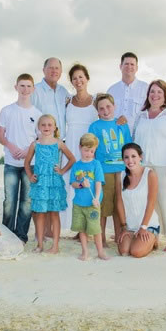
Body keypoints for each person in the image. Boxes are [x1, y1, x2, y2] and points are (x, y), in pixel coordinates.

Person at [132, 79, 166, 251]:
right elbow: (134, 140)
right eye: (152, 92)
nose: (155, 95)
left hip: (165, 165)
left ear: (165, 96)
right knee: (148, 202)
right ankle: (153, 236)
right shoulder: (141, 116)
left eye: (159, 92)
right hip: (144, 166)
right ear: (148, 95)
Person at [0, 73, 42, 242]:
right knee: (9, 201)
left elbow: (39, 139)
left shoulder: (37, 114)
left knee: (27, 202)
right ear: (16, 87)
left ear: (33, 89)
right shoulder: (7, 110)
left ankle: (21, 236)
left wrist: (27, 151)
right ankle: (7, 235)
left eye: (28, 86)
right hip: (10, 162)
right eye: (22, 85)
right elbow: (0, 136)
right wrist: (12, 147)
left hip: (29, 165)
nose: (25, 89)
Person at [25, 115, 74, 254]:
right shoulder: (35, 144)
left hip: (54, 183)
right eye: (43, 125)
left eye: (49, 125)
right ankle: (40, 245)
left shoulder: (58, 143)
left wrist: (62, 170)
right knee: (40, 214)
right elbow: (26, 163)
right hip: (40, 183)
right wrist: (30, 175)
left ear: (55, 127)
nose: (46, 127)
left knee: (54, 214)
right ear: (39, 127)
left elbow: (72, 159)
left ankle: (55, 246)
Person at [88, 93, 132, 244]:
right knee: (103, 205)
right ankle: (101, 238)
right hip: (103, 170)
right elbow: (91, 149)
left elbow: (128, 145)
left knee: (118, 204)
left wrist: (129, 167)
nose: (105, 110)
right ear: (97, 111)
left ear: (114, 107)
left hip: (120, 170)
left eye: (108, 106)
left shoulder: (121, 124)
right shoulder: (94, 127)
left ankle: (119, 235)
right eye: (101, 108)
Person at [61, 64, 99, 231]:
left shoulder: (96, 100)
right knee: (70, 183)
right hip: (71, 145)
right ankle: (72, 226)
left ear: (87, 78)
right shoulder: (68, 101)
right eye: (74, 78)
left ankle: (89, 226)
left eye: (81, 77)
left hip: (89, 147)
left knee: (88, 183)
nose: (78, 80)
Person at [115, 143, 160, 258]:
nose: (130, 160)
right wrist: (124, 227)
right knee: (124, 251)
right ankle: (137, 238)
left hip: (148, 225)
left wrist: (143, 227)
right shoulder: (120, 176)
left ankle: (153, 238)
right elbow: (119, 202)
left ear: (141, 157)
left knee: (136, 252)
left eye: (133, 156)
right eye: (126, 157)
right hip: (130, 226)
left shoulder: (150, 174)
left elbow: (151, 202)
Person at [69, 133, 108, 261]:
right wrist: (80, 184)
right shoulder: (76, 165)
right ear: (80, 147)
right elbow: (73, 183)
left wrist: (96, 198)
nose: (89, 153)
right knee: (82, 229)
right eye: (86, 150)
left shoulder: (96, 164)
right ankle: (85, 252)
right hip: (79, 203)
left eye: (92, 151)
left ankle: (100, 252)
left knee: (96, 229)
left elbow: (98, 183)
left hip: (93, 203)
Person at [33, 57, 72, 135]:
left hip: (61, 143)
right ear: (43, 70)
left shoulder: (63, 91)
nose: (54, 71)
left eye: (57, 68)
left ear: (61, 71)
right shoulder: (34, 91)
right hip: (42, 143)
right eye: (51, 68)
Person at [107, 52, 148, 125]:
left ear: (137, 68)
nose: (129, 67)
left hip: (138, 135)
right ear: (120, 66)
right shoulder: (111, 90)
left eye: (132, 64)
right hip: (116, 134)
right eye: (126, 64)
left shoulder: (146, 88)